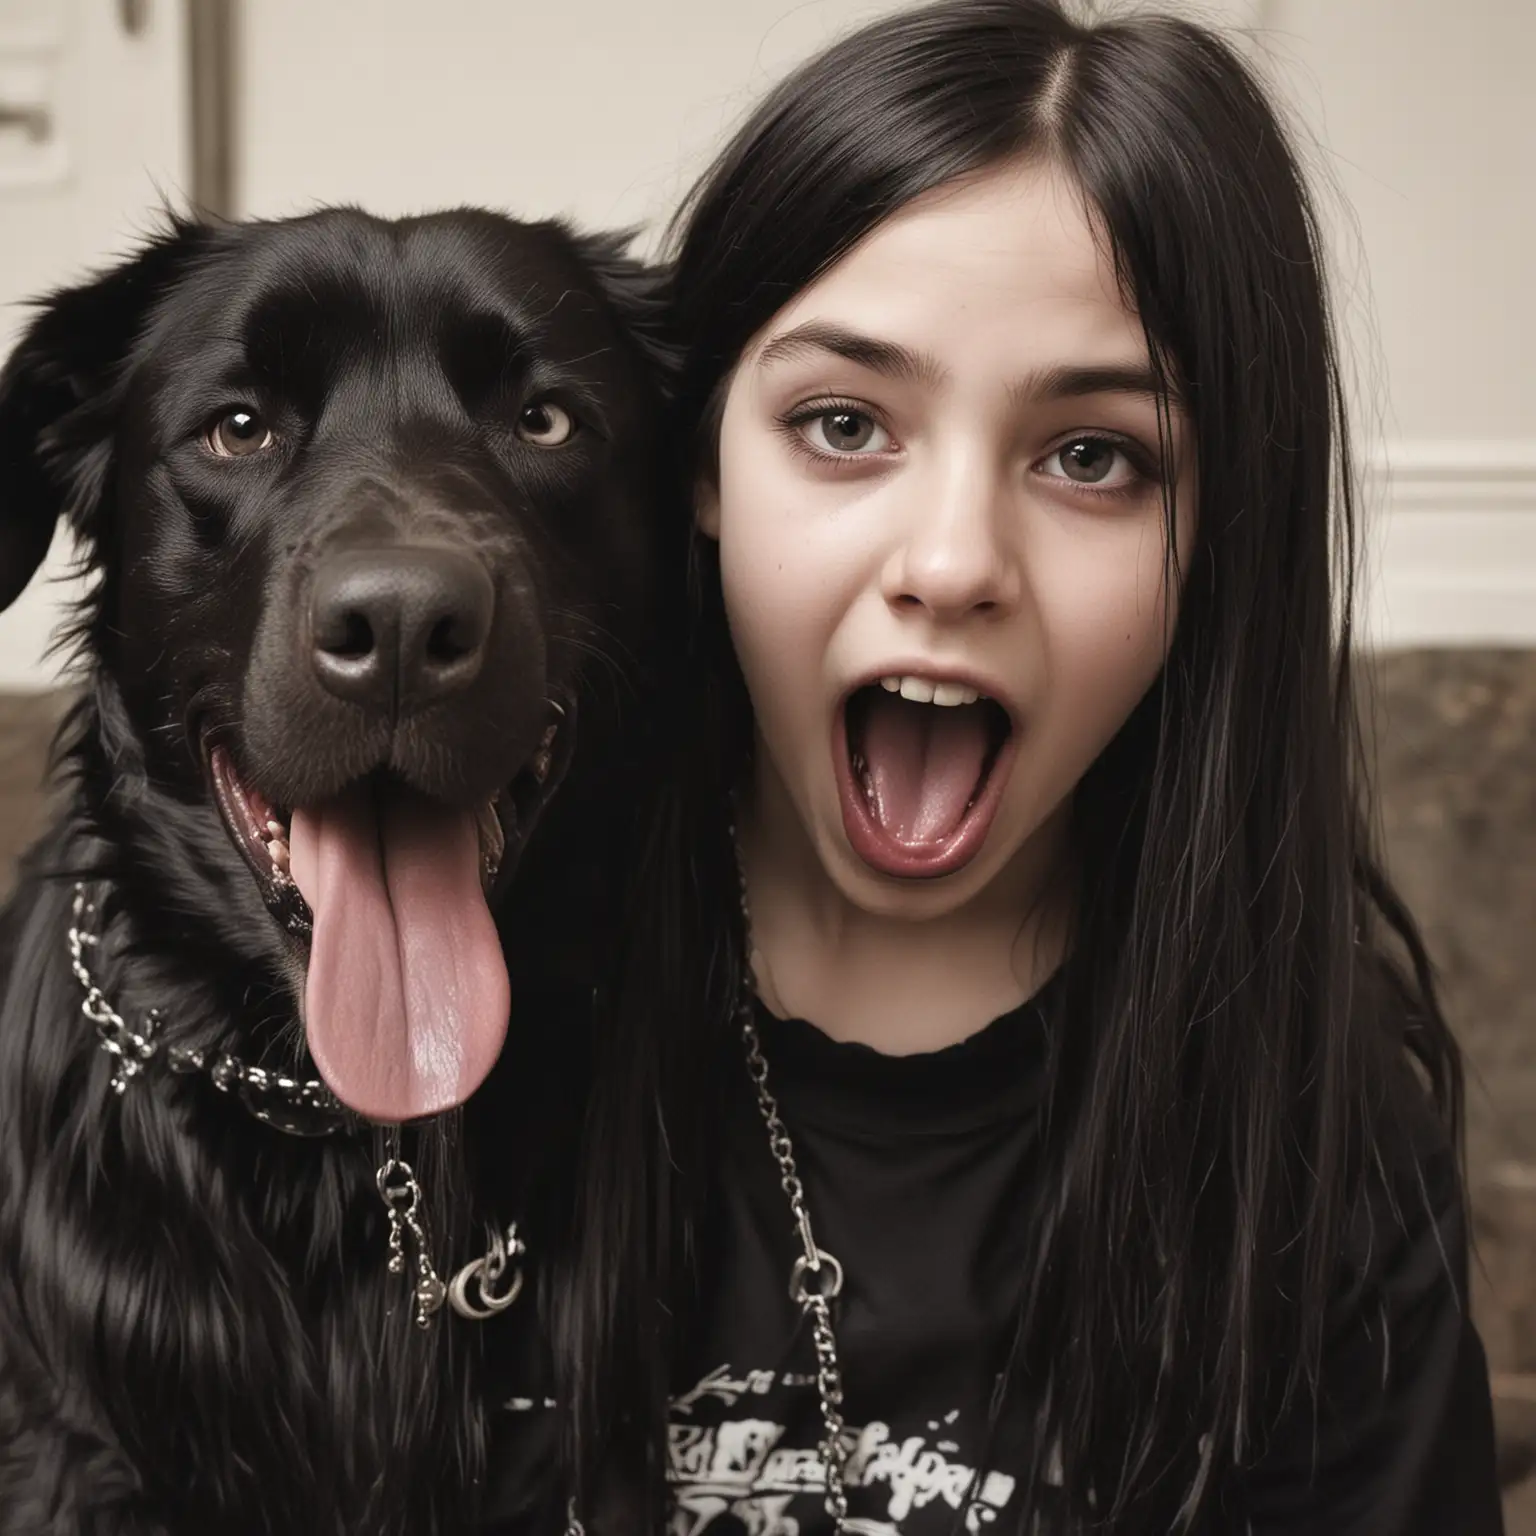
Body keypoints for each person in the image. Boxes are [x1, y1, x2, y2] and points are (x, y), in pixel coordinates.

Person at [484, 2, 1504, 1531]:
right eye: (843, 424)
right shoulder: (444, 1019)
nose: (954, 562)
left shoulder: (1314, 1159)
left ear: (1218, 537)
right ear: (697, 464)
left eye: (1094, 458)